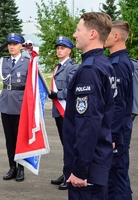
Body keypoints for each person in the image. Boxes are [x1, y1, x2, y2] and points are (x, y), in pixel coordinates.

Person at [63, 12, 116, 199]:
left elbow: (88, 123)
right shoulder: (104, 64)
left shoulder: (90, 70)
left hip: (88, 169)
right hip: (97, 160)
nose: (75, 35)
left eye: (78, 30)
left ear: (92, 34)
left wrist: (79, 169)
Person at [0, 33, 29, 182]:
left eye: (15, 44)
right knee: (9, 139)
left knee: (20, 138)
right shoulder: (3, 62)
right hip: (5, 103)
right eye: (9, 44)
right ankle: (12, 167)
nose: (11, 47)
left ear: (21, 46)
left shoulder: (28, 61)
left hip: (20, 104)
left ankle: (21, 168)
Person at [104, 20, 134, 200]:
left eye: (107, 33)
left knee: (116, 177)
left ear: (116, 37)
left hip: (117, 133)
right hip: (121, 130)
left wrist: (113, 136)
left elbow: (118, 103)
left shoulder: (117, 64)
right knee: (118, 175)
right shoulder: (122, 60)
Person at [49, 36, 78, 190]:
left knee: (69, 145)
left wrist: (57, 95)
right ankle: (66, 171)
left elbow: (71, 90)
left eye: (63, 48)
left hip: (67, 111)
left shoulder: (72, 67)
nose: (59, 50)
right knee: (64, 144)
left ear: (69, 50)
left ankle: (69, 175)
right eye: (58, 48)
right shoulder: (58, 67)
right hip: (58, 112)